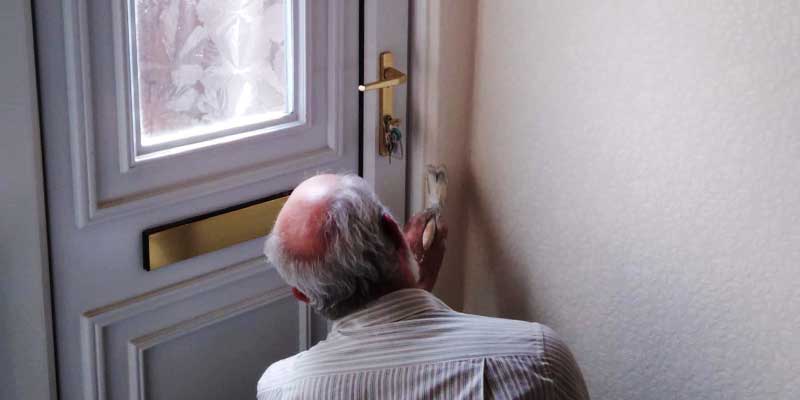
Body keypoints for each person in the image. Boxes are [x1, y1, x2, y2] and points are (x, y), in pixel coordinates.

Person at [258, 174, 589, 399]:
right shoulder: (538, 358)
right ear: (394, 231)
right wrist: (411, 286)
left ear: (302, 294)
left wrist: (414, 287)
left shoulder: (281, 389)